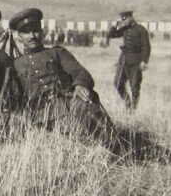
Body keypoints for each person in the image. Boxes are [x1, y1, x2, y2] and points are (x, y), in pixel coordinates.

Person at [9, 7, 115, 140]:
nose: (32, 36)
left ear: (42, 32)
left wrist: (80, 85)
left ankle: (117, 148)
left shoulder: (57, 53)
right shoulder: (15, 64)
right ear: (19, 36)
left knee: (87, 110)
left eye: (35, 30)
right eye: (26, 32)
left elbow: (80, 73)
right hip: (39, 116)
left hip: (68, 105)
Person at [107, 9, 151, 109]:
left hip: (135, 61)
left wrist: (144, 61)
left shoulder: (141, 29)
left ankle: (134, 108)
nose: (123, 21)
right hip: (123, 60)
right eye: (122, 19)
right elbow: (111, 35)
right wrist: (115, 25)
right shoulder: (124, 29)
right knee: (117, 83)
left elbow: (146, 46)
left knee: (135, 87)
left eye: (125, 19)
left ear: (131, 18)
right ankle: (127, 102)